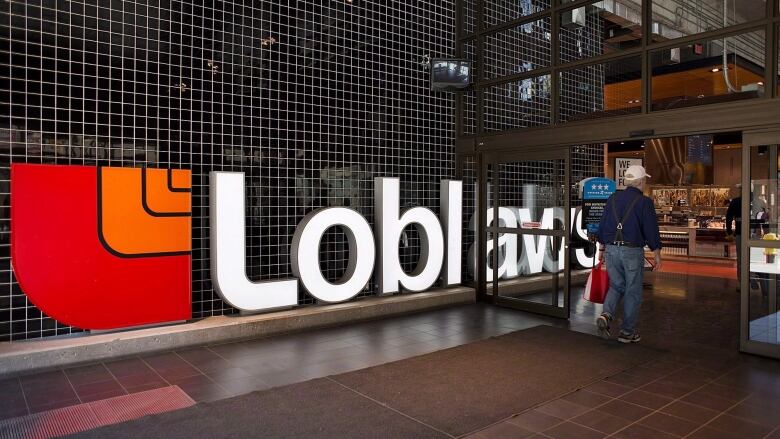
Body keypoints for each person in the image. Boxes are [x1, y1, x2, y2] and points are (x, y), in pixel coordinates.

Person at [596, 165, 662, 343]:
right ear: (640, 181)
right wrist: (656, 251)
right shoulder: (644, 202)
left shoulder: (613, 198)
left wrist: (601, 249)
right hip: (632, 251)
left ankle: (607, 314)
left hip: (611, 248)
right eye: (645, 180)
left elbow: (603, 224)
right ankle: (627, 332)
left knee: (616, 285)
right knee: (633, 290)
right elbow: (650, 228)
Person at [725, 185, 742, 291]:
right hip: (754, 234)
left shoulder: (735, 202)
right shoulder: (758, 201)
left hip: (740, 233)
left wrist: (730, 232)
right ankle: (753, 278)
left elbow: (729, 217)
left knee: (740, 259)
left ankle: (742, 283)